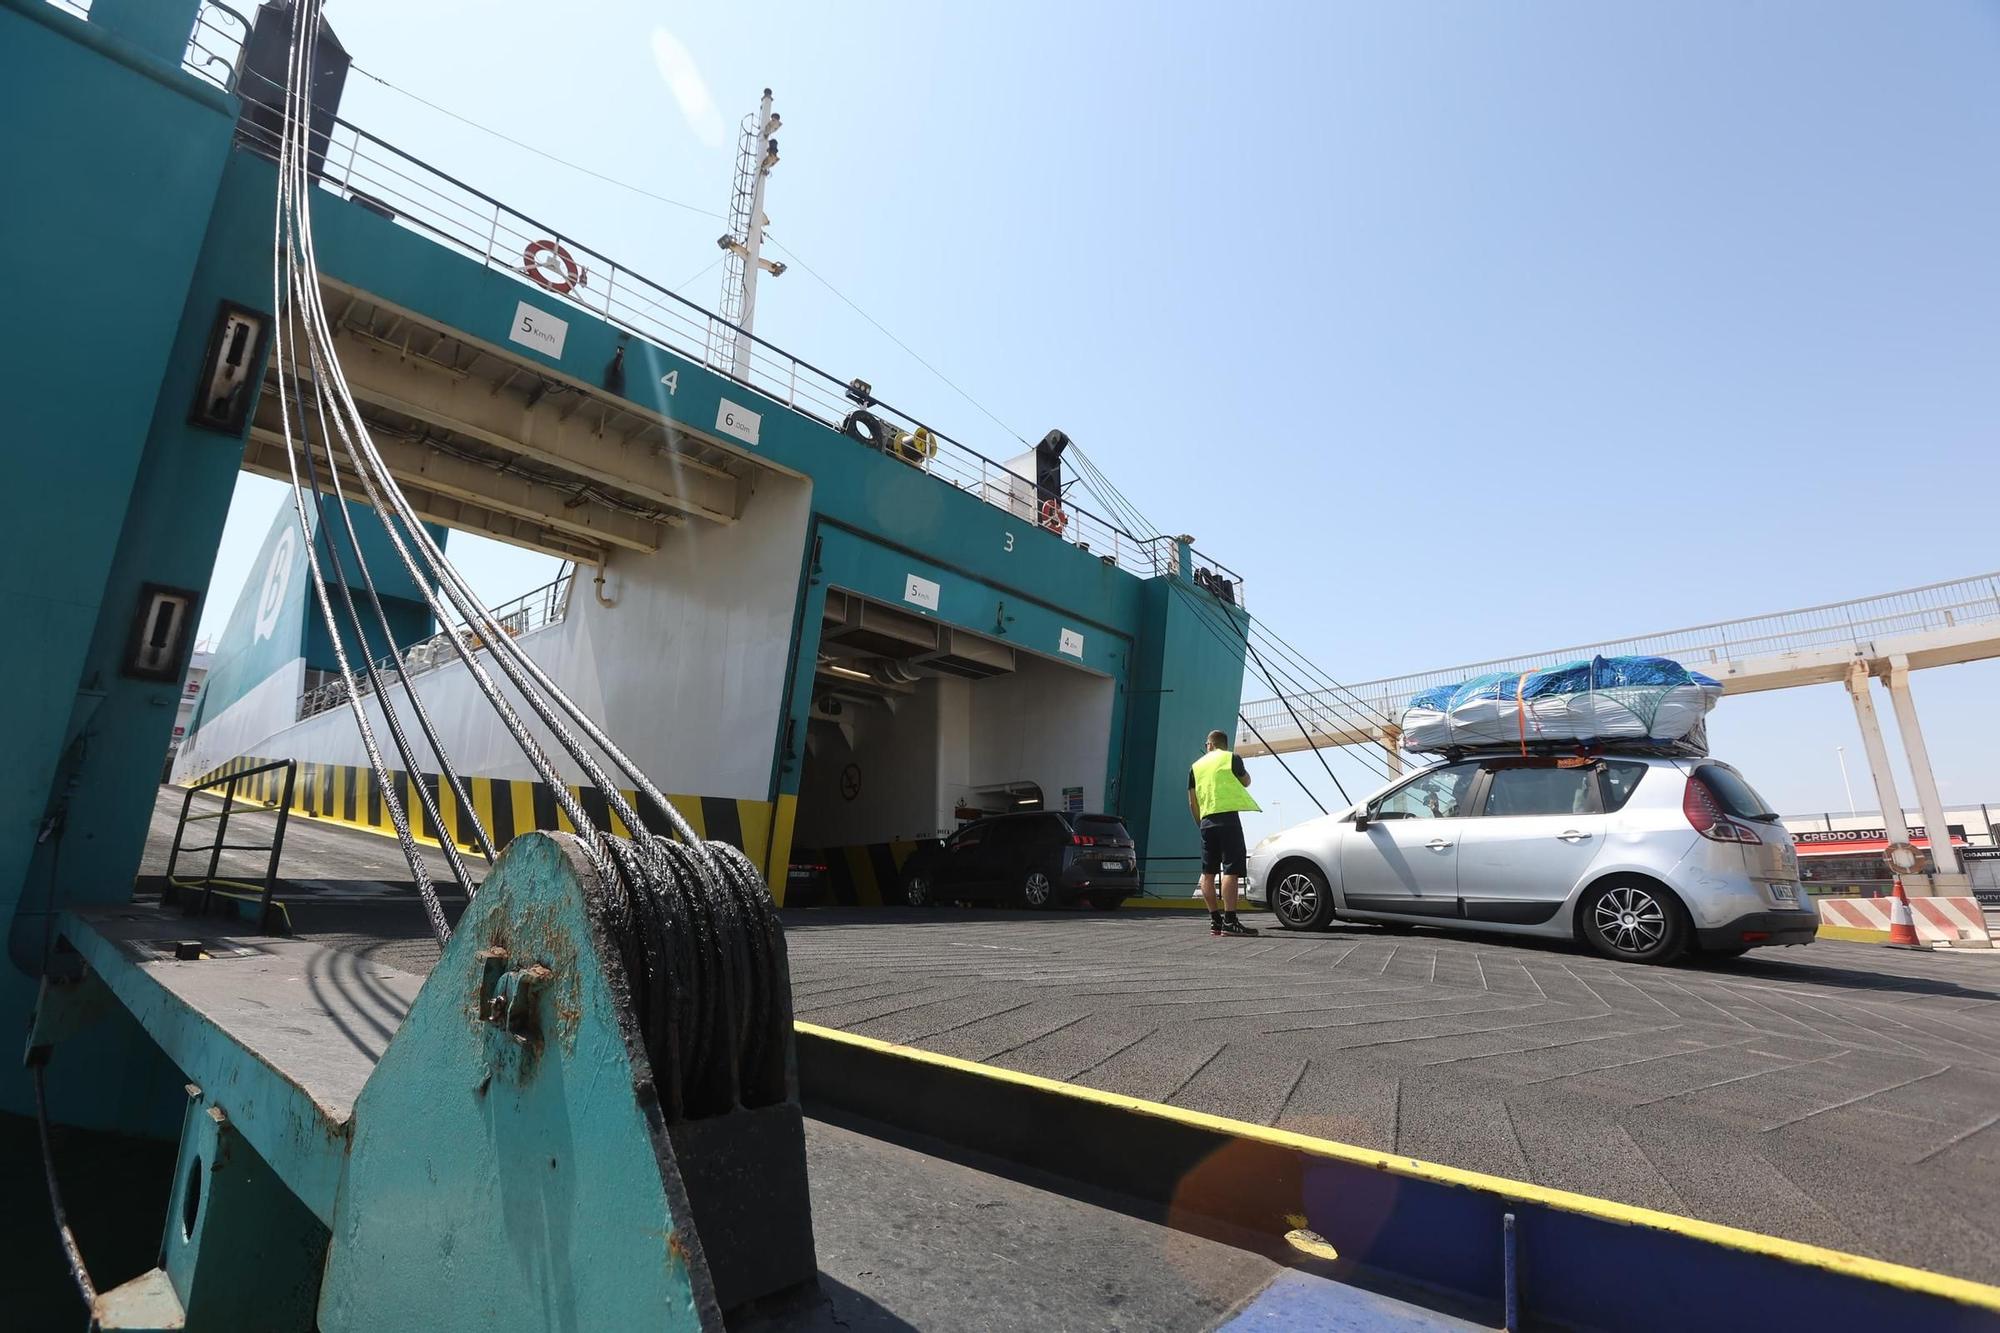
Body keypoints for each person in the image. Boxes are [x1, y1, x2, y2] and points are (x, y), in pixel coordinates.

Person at [1189, 728, 1260, 937]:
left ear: (1209, 745)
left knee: (1208, 873)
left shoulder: (1195, 767)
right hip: (1228, 820)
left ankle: (1215, 921)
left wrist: (1200, 823)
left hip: (1206, 822)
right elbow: (1246, 781)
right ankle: (1230, 921)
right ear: (1224, 745)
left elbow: (1191, 801)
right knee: (1231, 869)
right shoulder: (1232, 759)